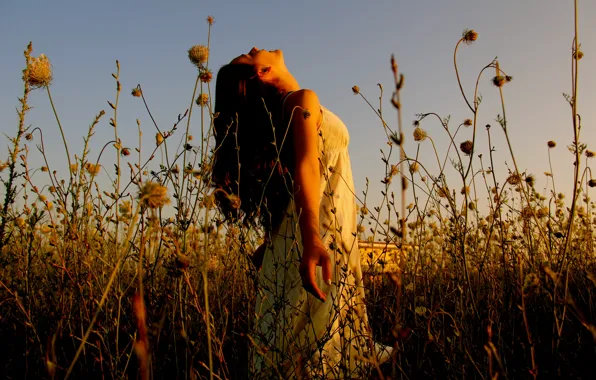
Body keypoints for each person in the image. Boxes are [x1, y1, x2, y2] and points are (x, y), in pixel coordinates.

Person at [212, 47, 391, 378]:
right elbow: (308, 167)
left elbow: (293, 182)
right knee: (317, 351)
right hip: (317, 240)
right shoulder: (301, 100)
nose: (253, 48)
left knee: (292, 351)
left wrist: (273, 244)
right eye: (247, 57)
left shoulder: (284, 115)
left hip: (300, 244)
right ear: (262, 72)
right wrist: (311, 237)